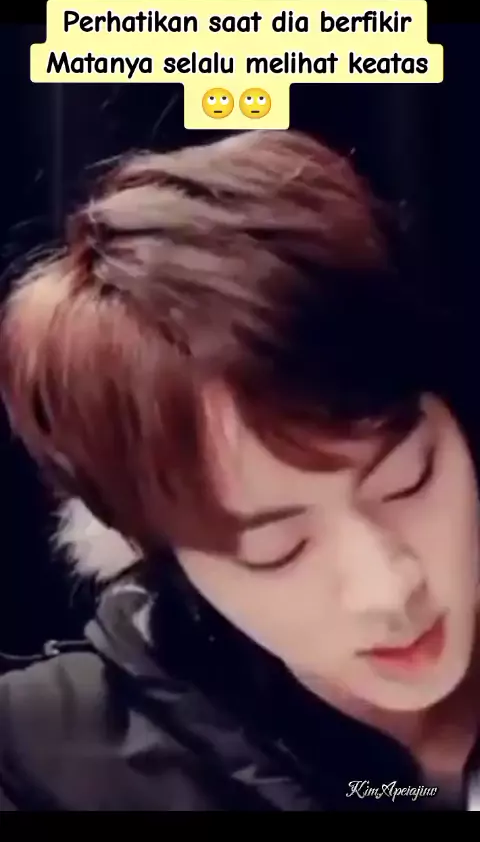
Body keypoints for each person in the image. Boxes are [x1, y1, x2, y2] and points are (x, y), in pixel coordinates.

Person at [0, 129, 479, 812]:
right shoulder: (38, 769)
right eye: (276, 552)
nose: (389, 589)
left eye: (410, 481)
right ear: (149, 547)